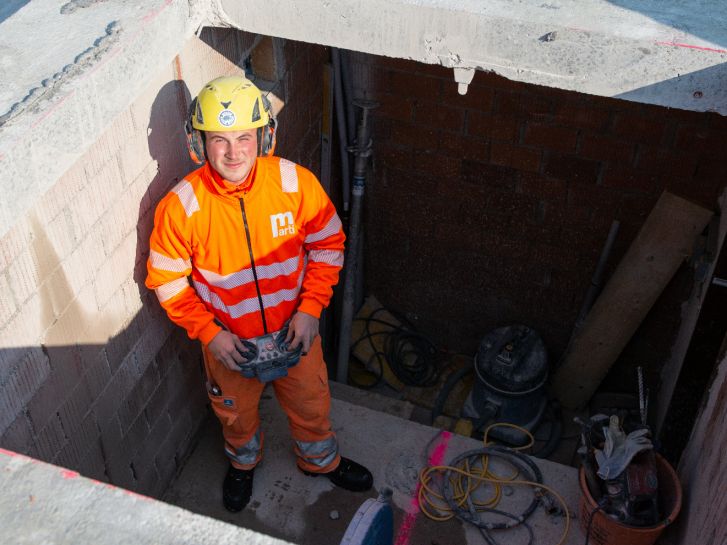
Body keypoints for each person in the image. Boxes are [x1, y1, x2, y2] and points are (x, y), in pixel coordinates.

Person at [145, 75, 373, 512]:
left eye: (244, 137)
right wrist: (211, 335)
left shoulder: (294, 184)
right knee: (236, 415)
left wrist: (309, 311)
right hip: (229, 343)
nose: (234, 152)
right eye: (220, 140)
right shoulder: (182, 208)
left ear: (265, 136)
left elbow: (328, 245)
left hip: (296, 331)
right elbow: (168, 281)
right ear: (198, 142)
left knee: (311, 400)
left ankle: (320, 461)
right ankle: (243, 465)